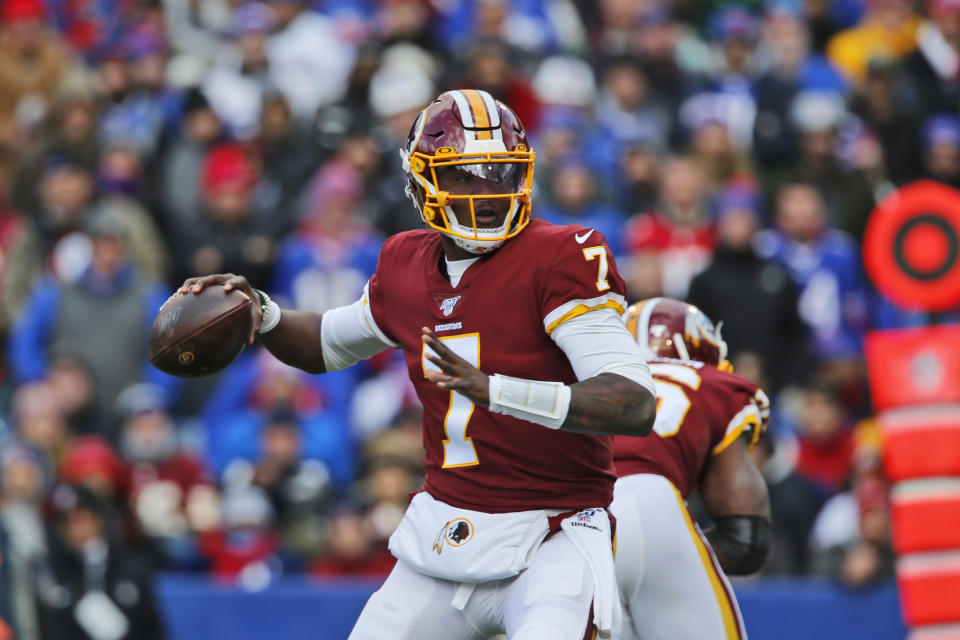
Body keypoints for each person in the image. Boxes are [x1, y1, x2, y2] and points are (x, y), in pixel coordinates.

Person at [179, 89, 657, 640]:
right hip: (445, 532)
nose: (488, 192)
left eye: (501, 174)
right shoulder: (405, 261)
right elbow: (327, 344)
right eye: (464, 175)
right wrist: (260, 313)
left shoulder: (562, 254)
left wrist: (496, 390)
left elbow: (632, 402)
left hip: (553, 534)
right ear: (419, 181)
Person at [611, 297, 772, 640]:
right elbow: (745, 540)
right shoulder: (711, 383)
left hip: (559, 526)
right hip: (647, 503)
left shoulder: (582, 382)